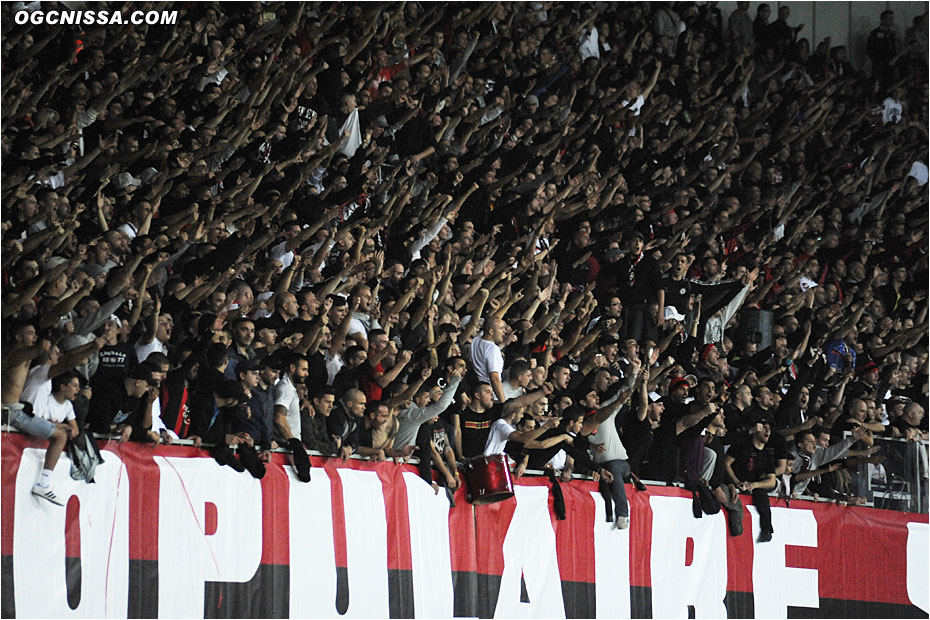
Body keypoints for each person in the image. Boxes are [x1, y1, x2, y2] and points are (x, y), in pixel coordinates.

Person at [725, 421, 777, 542]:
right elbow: (726, 463)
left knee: (761, 494)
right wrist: (736, 481)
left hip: (751, 486)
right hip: (733, 483)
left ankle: (767, 530)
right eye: (764, 428)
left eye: (769, 429)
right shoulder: (741, 445)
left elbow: (772, 481)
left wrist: (754, 485)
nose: (767, 431)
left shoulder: (767, 454)